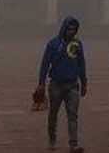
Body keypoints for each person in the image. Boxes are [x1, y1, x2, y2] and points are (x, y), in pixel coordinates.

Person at [37, 16, 87, 153]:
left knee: (73, 115)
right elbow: (45, 64)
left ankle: (73, 144)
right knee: (53, 114)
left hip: (72, 85)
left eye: (74, 29)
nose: (72, 32)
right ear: (64, 28)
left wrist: (84, 82)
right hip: (56, 85)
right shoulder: (53, 44)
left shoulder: (77, 45)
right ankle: (52, 139)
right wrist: (41, 82)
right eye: (69, 29)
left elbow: (81, 64)